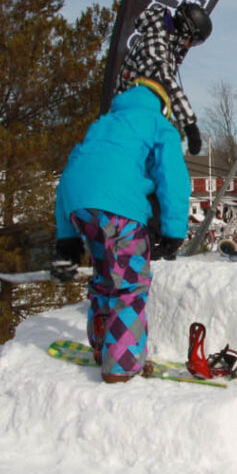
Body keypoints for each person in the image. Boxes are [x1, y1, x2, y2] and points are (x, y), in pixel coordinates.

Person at [54, 23, 194, 383]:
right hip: (120, 211)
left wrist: (66, 235)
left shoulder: (103, 124)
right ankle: (122, 365)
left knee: (104, 279)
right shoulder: (158, 125)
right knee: (129, 285)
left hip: (80, 208)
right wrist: (175, 230)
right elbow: (173, 179)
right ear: (163, 104)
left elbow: (72, 172)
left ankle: (102, 345)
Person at [115, 1, 210, 156]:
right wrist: (189, 125)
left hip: (141, 118)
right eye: (194, 41)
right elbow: (162, 77)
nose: (191, 46)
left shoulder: (170, 45)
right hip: (127, 120)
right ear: (186, 30)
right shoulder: (156, 39)